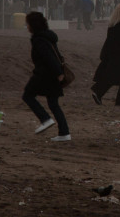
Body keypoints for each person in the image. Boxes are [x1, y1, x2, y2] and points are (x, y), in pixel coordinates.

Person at [22, 11, 71, 141]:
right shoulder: (48, 37)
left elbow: (49, 58)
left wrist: (59, 74)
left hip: (44, 75)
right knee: (53, 103)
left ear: (33, 25)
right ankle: (64, 133)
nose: (26, 26)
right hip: (52, 75)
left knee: (27, 95)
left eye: (27, 24)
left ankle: (45, 119)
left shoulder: (39, 39)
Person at [91, 2, 120, 106]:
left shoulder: (112, 24)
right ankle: (118, 99)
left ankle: (116, 98)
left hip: (113, 54)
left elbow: (113, 40)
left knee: (113, 76)